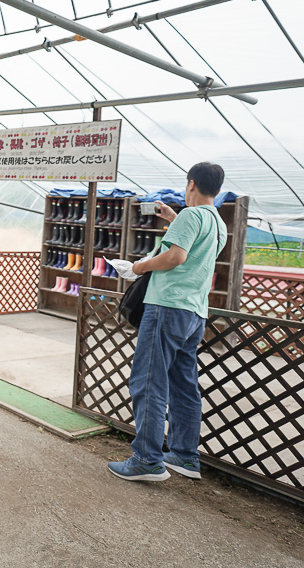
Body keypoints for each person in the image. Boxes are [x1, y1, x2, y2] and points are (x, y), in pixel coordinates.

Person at [108, 162, 227, 482]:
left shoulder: (192, 216)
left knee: (148, 381)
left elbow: (176, 258)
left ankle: (147, 459)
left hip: (167, 307)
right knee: (184, 385)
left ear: (191, 184)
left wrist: (140, 267)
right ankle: (185, 456)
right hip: (194, 313)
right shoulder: (217, 222)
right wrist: (173, 218)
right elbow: (195, 248)